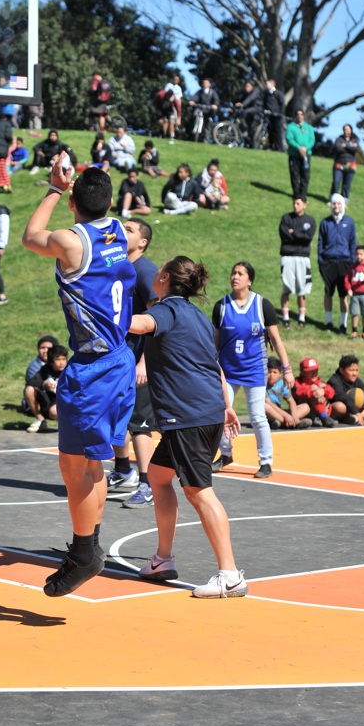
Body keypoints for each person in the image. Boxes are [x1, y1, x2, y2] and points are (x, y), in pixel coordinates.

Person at [22, 164, 136, 597]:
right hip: (120, 359)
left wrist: (54, 187)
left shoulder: (71, 242)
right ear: (109, 202)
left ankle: (85, 551)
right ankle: (88, 545)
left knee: (73, 465)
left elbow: (31, 236)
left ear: (73, 203)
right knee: (92, 462)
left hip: (94, 368)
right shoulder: (120, 234)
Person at [129, 256, 248, 597]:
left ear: (164, 277)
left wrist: (103, 309)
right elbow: (214, 364)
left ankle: (230, 574)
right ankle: (163, 559)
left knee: (198, 491)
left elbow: (137, 325)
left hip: (188, 416)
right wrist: (226, 405)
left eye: (158, 270)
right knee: (158, 475)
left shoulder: (168, 310)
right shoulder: (196, 315)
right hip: (205, 411)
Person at [212, 261, 295, 478]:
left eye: (240, 273)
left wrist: (287, 369)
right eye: (233, 272)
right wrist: (210, 366)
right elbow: (215, 343)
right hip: (227, 371)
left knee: (258, 416)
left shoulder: (262, 305)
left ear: (250, 280)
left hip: (255, 370)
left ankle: (266, 461)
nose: (235, 276)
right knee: (218, 412)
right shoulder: (221, 306)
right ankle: (226, 453)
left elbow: (276, 340)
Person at [107, 217, 160, 509]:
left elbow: (157, 318)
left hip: (139, 362)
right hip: (120, 358)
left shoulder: (145, 270)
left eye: (129, 230)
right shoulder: (121, 266)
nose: (121, 232)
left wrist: (144, 361)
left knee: (140, 424)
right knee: (117, 417)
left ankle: (147, 483)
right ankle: (124, 470)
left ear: (142, 242)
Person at [318, 194, 356, 334]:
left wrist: (352, 263)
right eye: (334, 204)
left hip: (344, 263)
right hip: (328, 262)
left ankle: (343, 324)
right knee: (328, 292)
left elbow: (353, 243)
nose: (336, 206)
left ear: (343, 205)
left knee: (343, 294)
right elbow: (320, 243)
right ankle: (328, 322)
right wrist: (321, 261)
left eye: (338, 204)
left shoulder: (349, 222)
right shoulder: (325, 222)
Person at [278, 195, 317, 329]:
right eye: (294, 203)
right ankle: (285, 317)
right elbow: (284, 235)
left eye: (298, 203)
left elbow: (308, 238)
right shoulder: (286, 218)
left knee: (302, 288)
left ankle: (301, 318)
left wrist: (293, 233)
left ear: (305, 205)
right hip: (287, 256)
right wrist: (299, 234)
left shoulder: (310, 220)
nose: (295, 206)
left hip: (302, 258)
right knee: (287, 287)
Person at [328, 354, 364, 427]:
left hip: (352, 410)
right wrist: (358, 414)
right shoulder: (334, 380)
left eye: (356, 370)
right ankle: (353, 417)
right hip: (338, 411)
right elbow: (344, 398)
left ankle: (352, 418)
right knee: (340, 407)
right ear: (342, 370)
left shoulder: (357, 381)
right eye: (351, 370)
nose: (355, 374)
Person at [26, 344, 69, 431]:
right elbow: (31, 381)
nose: (61, 363)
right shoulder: (45, 369)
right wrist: (44, 384)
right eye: (58, 359)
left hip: (65, 401)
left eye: (63, 359)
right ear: (51, 361)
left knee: (55, 412)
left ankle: (69, 425)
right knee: (29, 389)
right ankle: (40, 419)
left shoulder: (69, 370)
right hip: (47, 400)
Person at [264, 357, 312, 430]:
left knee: (305, 407)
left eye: (274, 372)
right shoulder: (262, 386)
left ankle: (290, 421)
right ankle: (289, 423)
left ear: (280, 373)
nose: (271, 375)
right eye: (269, 372)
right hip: (270, 413)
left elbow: (291, 401)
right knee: (265, 407)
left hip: (280, 412)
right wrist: (286, 416)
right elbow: (269, 403)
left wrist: (294, 415)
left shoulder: (282, 383)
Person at [292, 357, 338, 427]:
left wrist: (323, 390)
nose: (314, 373)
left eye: (316, 370)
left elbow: (332, 393)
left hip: (323, 410)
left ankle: (320, 418)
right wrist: (314, 392)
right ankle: (323, 418)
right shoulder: (296, 382)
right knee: (315, 397)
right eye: (310, 371)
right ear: (302, 372)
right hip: (304, 410)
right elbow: (299, 392)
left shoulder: (319, 382)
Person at [24, 334, 60, 420]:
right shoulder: (34, 367)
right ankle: (40, 417)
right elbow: (32, 383)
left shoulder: (60, 363)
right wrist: (44, 384)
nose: (45, 351)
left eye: (48, 348)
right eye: (42, 348)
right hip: (43, 398)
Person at [285, 109, 315, 198]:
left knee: (305, 176)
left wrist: (306, 148)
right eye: (297, 114)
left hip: (306, 155)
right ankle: (296, 194)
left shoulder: (309, 128)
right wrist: (298, 148)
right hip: (294, 155)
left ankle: (303, 195)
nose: (299, 116)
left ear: (304, 116)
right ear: (295, 116)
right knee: (294, 175)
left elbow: (312, 140)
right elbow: (289, 139)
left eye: (301, 114)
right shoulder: (291, 127)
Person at [331, 124, 360, 201]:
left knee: (347, 184)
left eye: (347, 129)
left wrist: (346, 145)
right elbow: (338, 148)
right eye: (344, 129)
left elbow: (356, 148)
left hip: (351, 165)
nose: (346, 131)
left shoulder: (355, 139)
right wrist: (350, 147)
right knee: (336, 182)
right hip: (339, 163)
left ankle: (344, 201)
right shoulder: (339, 139)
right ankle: (333, 199)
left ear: (351, 130)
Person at [234, 81, 264, 147]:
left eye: (248, 86)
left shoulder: (256, 91)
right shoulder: (245, 93)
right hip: (250, 111)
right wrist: (233, 107)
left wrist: (242, 104)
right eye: (245, 86)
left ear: (252, 86)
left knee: (245, 112)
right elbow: (240, 100)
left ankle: (245, 129)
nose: (246, 88)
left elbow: (250, 99)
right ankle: (245, 133)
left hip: (257, 108)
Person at [263, 79, 286, 151]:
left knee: (278, 133)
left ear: (272, 84)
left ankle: (279, 149)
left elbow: (282, 104)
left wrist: (280, 114)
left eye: (268, 84)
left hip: (277, 117)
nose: (266, 86)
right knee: (270, 132)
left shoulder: (278, 94)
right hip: (270, 116)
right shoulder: (267, 94)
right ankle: (271, 147)